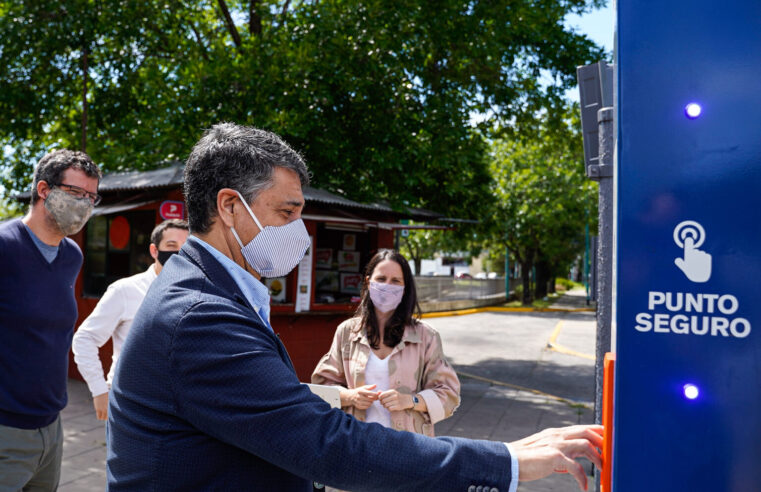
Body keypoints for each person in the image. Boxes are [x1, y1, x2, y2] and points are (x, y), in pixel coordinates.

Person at [107, 123, 602, 492]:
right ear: (231, 207)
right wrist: (506, 460)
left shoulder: (208, 292)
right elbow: (327, 444)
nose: (296, 232)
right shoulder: (200, 314)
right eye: (286, 212)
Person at [0, 149, 101, 491]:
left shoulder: (71, 255)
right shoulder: (5, 247)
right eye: (76, 194)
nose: (85, 204)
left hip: (52, 429)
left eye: (91, 196)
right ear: (44, 190)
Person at [312, 249, 460, 438]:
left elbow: (449, 395)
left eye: (395, 281)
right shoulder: (347, 332)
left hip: (409, 447)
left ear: (405, 288)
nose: (387, 286)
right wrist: (351, 397)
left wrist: (410, 400)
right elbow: (321, 389)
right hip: (355, 443)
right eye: (381, 279)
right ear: (368, 282)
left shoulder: (426, 336)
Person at [72, 219, 189, 420]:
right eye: (171, 246)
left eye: (186, 248)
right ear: (154, 251)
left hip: (179, 407)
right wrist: (99, 391)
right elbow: (84, 339)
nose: (179, 253)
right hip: (131, 403)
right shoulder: (126, 290)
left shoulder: (195, 292)